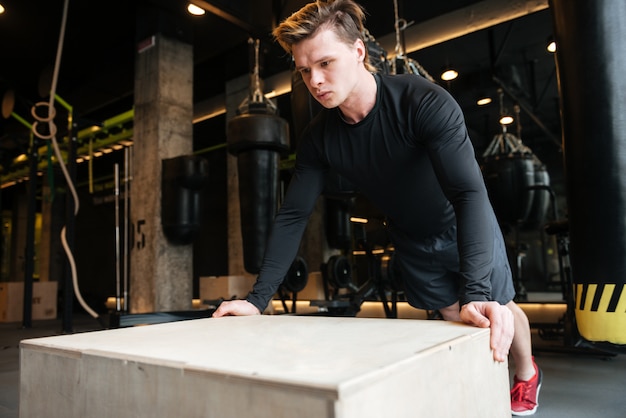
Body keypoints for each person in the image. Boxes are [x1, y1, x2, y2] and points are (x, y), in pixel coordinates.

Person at [213, 0, 541, 415]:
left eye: (325, 63)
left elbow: (468, 194)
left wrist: (479, 290)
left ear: (359, 52)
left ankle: (526, 372)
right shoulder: (320, 138)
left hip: (462, 222)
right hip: (411, 237)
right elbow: (294, 213)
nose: (314, 81)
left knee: (499, 306)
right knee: (459, 319)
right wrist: (257, 299)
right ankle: (476, 393)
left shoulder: (423, 103)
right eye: (304, 70)